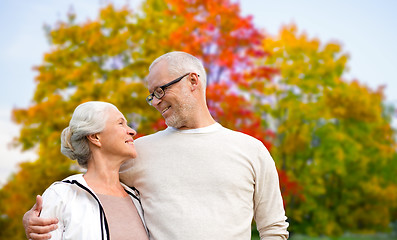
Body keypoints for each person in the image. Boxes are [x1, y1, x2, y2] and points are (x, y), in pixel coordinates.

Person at [23, 52, 289, 239]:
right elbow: (92, 185)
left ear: (193, 81)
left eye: (161, 91)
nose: (156, 101)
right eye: (152, 96)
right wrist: (35, 219)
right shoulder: (138, 152)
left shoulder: (251, 150)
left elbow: (274, 229)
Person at [23, 101, 149, 240]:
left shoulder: (138, 198)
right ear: (95, 137)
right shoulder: (62, 196)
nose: (132, 131)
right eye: (120, 123)